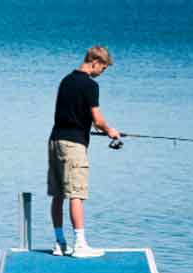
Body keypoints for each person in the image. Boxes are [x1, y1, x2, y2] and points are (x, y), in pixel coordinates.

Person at [48, 45, 120, 258]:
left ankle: (60, 243)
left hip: (55, 141)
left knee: (58, 194)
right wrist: (110, 131)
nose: (102, 73)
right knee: (76, 194)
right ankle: (80, 244)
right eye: (103, 68)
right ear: (95, 62)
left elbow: (68, 113)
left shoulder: (66, 80)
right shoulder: (90, 86)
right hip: (74, 146)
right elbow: (97, 120)